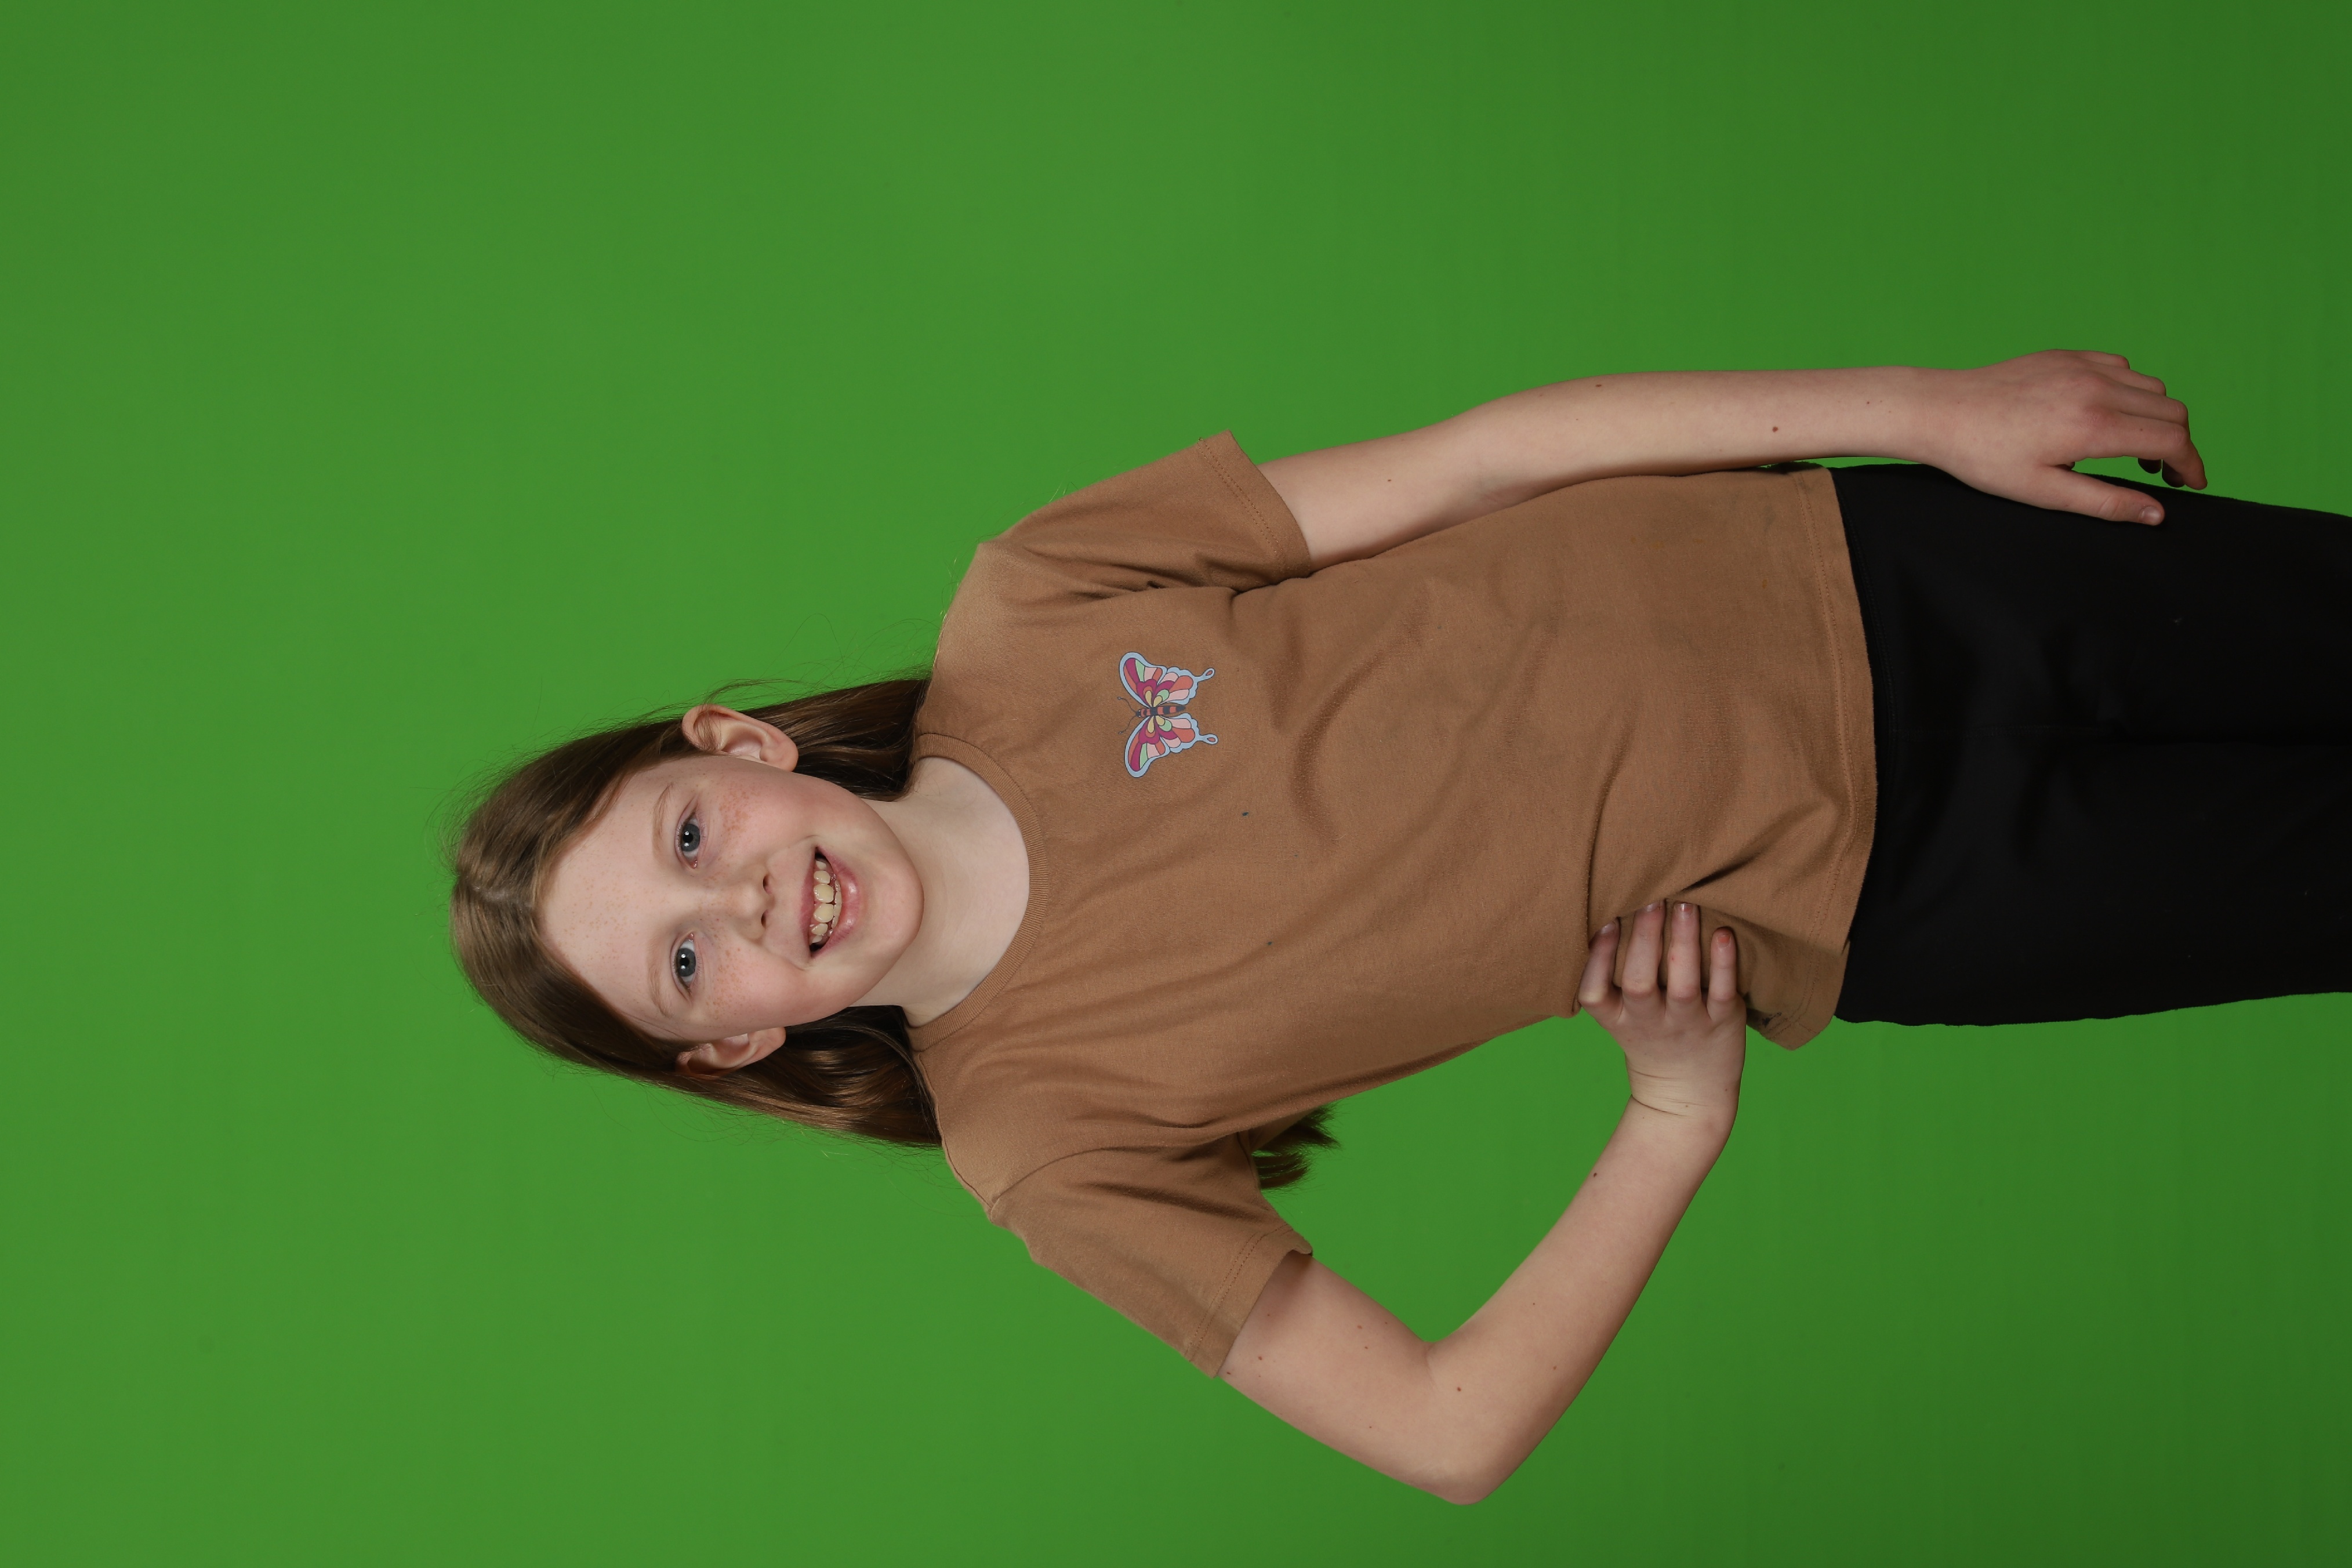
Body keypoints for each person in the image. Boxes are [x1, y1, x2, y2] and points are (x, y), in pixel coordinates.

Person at [448, 351, 2349, 1503]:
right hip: (1909, 887)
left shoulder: (1031, 598)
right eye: (687, 961)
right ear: (736, 1041)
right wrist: (1673, 1111)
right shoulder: (1046, 1142)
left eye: (690, 834)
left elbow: (1489, 456)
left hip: (1888, 570)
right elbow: (1448, 1431)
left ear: (738, 746)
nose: (741, 899)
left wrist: (1928, 411)